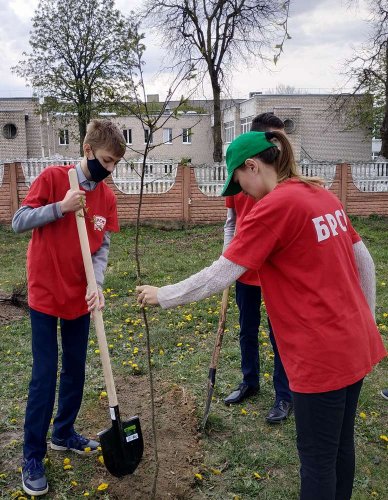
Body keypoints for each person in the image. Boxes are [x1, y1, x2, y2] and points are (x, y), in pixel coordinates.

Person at [136, 131, 386, 500]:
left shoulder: (274, 207)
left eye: (239, 182)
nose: (242, 194)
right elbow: (365, 260)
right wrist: (366, 320)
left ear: (252, 166)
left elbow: (223, 272)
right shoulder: (320, 193)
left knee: (317, 460)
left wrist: (165, 295)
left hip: (320, 356)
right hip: (355, 343)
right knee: (340, 448)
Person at [12, 119, 125, 497]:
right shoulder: (52, 178)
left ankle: (63, 433)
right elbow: (18, 221)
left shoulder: (106, 197)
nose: (109, 170)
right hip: (45, 292)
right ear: (88, 151)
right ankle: (32, 455)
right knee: (45, 373)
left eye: (115, 164)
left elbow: (103, 246)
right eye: (106, 161)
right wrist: (59, 208)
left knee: (75, 368)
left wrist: (97, 284)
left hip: (79, 295)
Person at [223, 112, 292, 425]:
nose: (280, 147)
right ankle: (249, 382)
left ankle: (284, 395)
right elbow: (231, 222)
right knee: (247, 329)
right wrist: (228, 261)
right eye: (274, 139)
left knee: (280, 333)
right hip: (245, 270)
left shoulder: (286, 181)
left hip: (276, 272)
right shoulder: (239, 178)